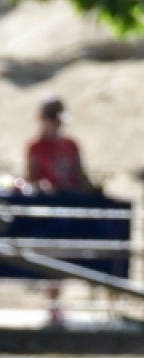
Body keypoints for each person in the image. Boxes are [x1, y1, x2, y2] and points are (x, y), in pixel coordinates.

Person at [25, 96, 90, 327]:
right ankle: (53, 306)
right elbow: (31, 180)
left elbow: (81, 177)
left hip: (70, 209)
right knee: (50, 254)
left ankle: (56, 305)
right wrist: (41, 187)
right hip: (48, 213)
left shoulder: (71, 145)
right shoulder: (35, 146)